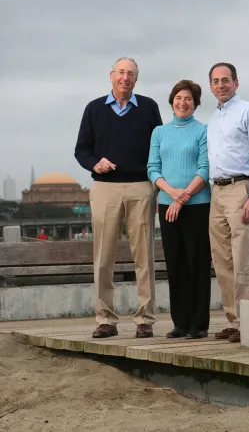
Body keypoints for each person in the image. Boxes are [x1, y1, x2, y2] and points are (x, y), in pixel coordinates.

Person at [74, 57, 162, 339]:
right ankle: (105, 319)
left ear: (136, 80)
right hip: (105, 188)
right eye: (121, 72)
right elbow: (81, 150)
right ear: (111, 76)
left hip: (140, 187)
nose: (126, 78)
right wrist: (94, 164)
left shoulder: (148, 108)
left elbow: (158, 147)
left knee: (144, 256)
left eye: (131, 74)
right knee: (103, 257)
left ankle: (145, 319)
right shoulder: (94, 109)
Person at [207, 62, 249, 343]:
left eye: (225, 80)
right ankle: (234, 320)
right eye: (215, 81)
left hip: (241, 189)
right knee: (222, 259)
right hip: (217, 192)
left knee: (244, 257)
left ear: (236, 82)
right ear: (211, 86)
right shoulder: (213, 118)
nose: (220, 85)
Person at [148, 80, 211, 339]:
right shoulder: (159, 132)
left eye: (188, 99)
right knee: (175, 264)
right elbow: (153, 168)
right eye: (178, 98)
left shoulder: (203, 131)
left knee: (197, 262)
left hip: (197, 205)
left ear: (195, 104)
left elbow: (205, 169)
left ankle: (199, 324)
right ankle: (180, 322)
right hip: (167, 206)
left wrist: (182, 197)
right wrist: (172, 194)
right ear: (172, 101)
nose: (183, 102)